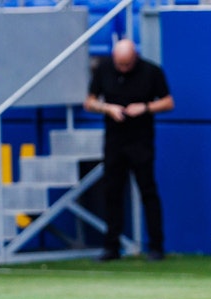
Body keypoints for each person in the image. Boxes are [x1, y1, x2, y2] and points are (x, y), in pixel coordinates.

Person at [84, 39, 174, 262]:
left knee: (147, 191)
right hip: (114, 139)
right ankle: (111, 246)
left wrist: (145, 107)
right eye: (120, 64)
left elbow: (168, 102)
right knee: (112, 192)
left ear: (135, 57)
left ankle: (156, 246)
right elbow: (89, 102)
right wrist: (108, 108)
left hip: (141, 140)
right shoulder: (104, 69)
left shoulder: (151, 71)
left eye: (127, 64)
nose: (123, 68)